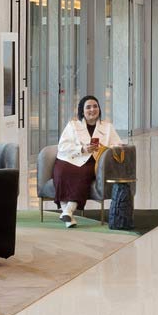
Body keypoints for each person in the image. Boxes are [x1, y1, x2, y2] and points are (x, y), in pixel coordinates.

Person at [51, 94, 124, 227]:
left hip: (93, 162)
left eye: (95, 106)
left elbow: (118, 145)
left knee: (83, 173)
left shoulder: (107, 127)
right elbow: (62, 146)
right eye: (88, 107)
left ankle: (68, 210)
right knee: (61, 172)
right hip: (69, 158)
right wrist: (82, 149)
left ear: (99, 109)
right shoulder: (73, 125)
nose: (92, 110)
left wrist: (106, 148)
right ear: (82, 111)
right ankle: (66, 213)